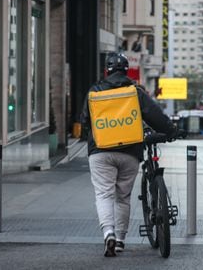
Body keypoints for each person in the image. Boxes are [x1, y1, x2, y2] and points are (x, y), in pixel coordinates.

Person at [81, 52, 177, 257]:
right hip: (129, 152)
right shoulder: (135, 91)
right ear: (126, 71)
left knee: (104, 194)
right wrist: (170, 131)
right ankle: (121, 241)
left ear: (106, 70)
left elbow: (85, 121)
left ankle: (109, 233)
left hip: (100, 151)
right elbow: (155, 116)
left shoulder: (94, 91)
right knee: (122, 197)